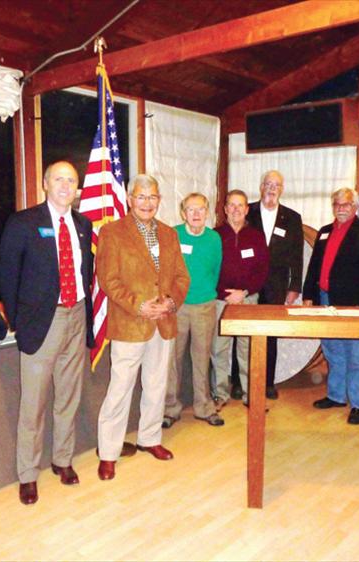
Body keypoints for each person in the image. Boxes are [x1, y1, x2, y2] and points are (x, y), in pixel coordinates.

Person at [0, 160, 94, 505]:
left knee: (68, 396)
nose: (66, 185)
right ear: (45, 183)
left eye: (71, 180)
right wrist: (17, 320)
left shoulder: (84, 224)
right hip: (43, 321)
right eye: (59, 179)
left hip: (77, 314)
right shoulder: (24, 222)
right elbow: (7, 274)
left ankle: (62, 460)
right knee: (33, 403)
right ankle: (28, 473)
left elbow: (86, 272)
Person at [95, 174, 190, 480]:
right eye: (141, 197)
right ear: (129, 198)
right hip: (129, 322)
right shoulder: (112, 232)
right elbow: (107, 280)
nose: (147, 203)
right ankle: (108, 452)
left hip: (163, 321)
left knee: (156, 384)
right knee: (119, 389)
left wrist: (171, 303)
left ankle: (150, 439)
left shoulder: (169, 234)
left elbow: (181, 277)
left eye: (152, 197)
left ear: (159, 200)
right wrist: (138, 304)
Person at [302, 187, 359, 425]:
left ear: (355, 207)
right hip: (326, 299)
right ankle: (336, 396)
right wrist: (309, 294)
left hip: (354, 304)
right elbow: (314, 266)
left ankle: (358, 404)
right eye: (337, 204)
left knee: (356, 354)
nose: (341, 208)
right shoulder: (324, 232)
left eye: (346, 204)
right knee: (332, 350)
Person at [164, 193, 224, 429]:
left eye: (200, 209)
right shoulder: (173, 234)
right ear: (183, 213)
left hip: (204, 306)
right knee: (173, 359)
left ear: (207, 212)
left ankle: (204, 407)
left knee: (202, 358)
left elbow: (215, 270)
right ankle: (170, 409)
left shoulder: (214, 239)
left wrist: (205, 293)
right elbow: (165, 269)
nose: (196, 214)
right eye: (191, 209)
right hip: (176, 307)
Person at [247, 170, 303, 400]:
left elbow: (297, 255)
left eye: (276, 185)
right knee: (243, 332)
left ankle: (267, 383)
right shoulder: (246, 211)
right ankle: (241, 382)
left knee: (270, 334)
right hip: (247, 283)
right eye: (268, 184)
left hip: (277, 285)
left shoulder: (292, 218)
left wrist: (294, 287)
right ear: (261, 187)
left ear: (282, 189)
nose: (271, 188)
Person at [211, 189, 269, 407]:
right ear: (225, 209)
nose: (236, 209)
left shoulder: (256, 236)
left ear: (247, 209)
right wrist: (224, 294)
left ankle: (250, 395)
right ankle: (220, 394)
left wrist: (243, 292)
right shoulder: (214, 235)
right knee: (219, 348)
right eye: (231, 205)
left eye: (240, 205)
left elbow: (262, 270)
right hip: (220, 301)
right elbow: (209, 270)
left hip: (248, 299)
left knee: (247, 348)